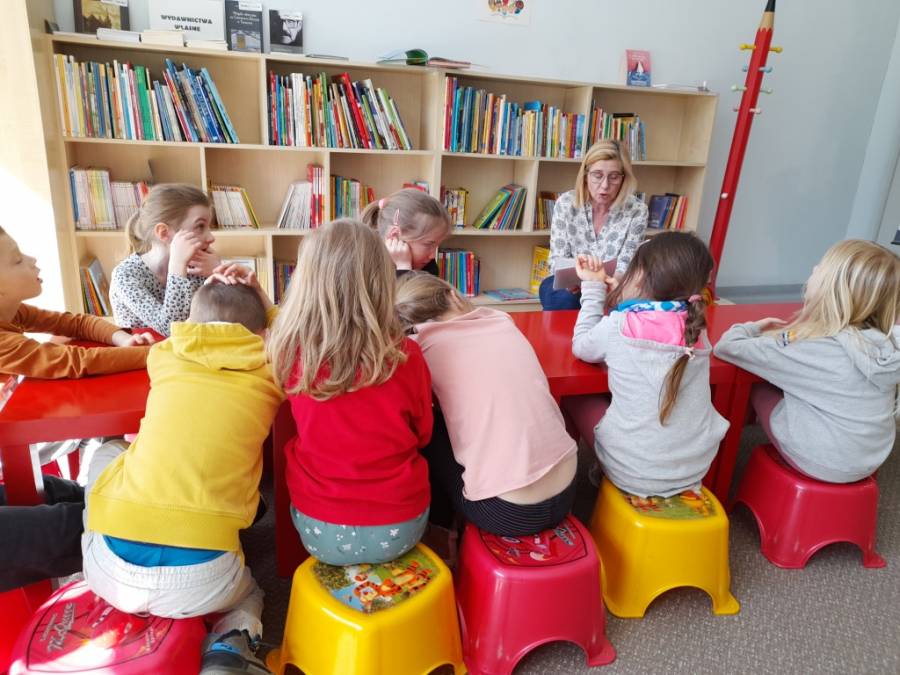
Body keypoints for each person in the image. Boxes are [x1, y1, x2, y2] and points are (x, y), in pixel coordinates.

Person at [81, 275, 283, 675]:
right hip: (202, 583)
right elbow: (292, 336)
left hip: (109, 576)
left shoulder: (165, 355)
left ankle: (107, 524)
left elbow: (182, 331)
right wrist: (265, 301)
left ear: (190, 326)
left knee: (109, 452)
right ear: (262, 335)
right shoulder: (271, 369)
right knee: (251, 594)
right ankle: (228, 645)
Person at [267, 219, 433, 565]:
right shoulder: (407, 356)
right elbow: (423, 435)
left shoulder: (290, 354)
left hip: (319, 531)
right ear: (383, 282)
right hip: (401, 528)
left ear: (305, 281)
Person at [0, 226, 151, 591]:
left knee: (64, 494)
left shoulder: (12, 313)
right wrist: (156, 353)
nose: (32, 260)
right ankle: (172, 530)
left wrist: (121, 338)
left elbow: (74, 322)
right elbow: (74, 361)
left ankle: (173, 515)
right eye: (17, 260)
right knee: (79, 524)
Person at [396, 272, 577, 536]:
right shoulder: (502, 321)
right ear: (453, 296)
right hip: (569, 487)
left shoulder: (419, 348)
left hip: (508, 513)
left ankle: (442, 529)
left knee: (427, 431)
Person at [714, 239, 900, 483]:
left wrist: (752, 328)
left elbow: (727, 347)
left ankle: (723, 464)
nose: (813, 268)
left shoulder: (813, 348)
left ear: (832, 290)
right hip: (870, 458)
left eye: (820, 268)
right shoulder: (888, 343)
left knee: (758, 387)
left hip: (822, 461)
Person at [566, 231, 728, 498]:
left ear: (640, 276)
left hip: (633, 470)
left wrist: (593, 289)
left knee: (575, 397)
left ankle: (575, 481)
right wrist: (624, 296)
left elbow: (582, 346)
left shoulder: (619, 325)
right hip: (694, 469)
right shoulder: (696, 326)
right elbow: (655, 315)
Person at [542, 139, 648, 310]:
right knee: (562, 298)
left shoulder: (637, 210)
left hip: (610, 284)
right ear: (586, 175)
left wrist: (599, 285)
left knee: (622, 300)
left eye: (614, 177)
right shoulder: (566, 203)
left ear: (623, 179)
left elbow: (625, 264)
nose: (605, 185)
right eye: (597, 175)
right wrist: (577, 280)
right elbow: (557, 259)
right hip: (570, 285)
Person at [110, 183, 220, 337]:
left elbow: (228, 318)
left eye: (209, 227)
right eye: (200, 226)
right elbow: (172, 329)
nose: (211, 237)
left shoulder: (198, 265)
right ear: (163, 233)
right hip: (145, 351)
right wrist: (177, 265)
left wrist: (218, 273)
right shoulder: (126, 276)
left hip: (189, 349)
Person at [361, 188, 453, 275]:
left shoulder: (428, 267)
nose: (433, 256)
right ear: (395, 236)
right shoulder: (368, 268)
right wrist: (403, 267)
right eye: (428, 244)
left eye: (436, 246)